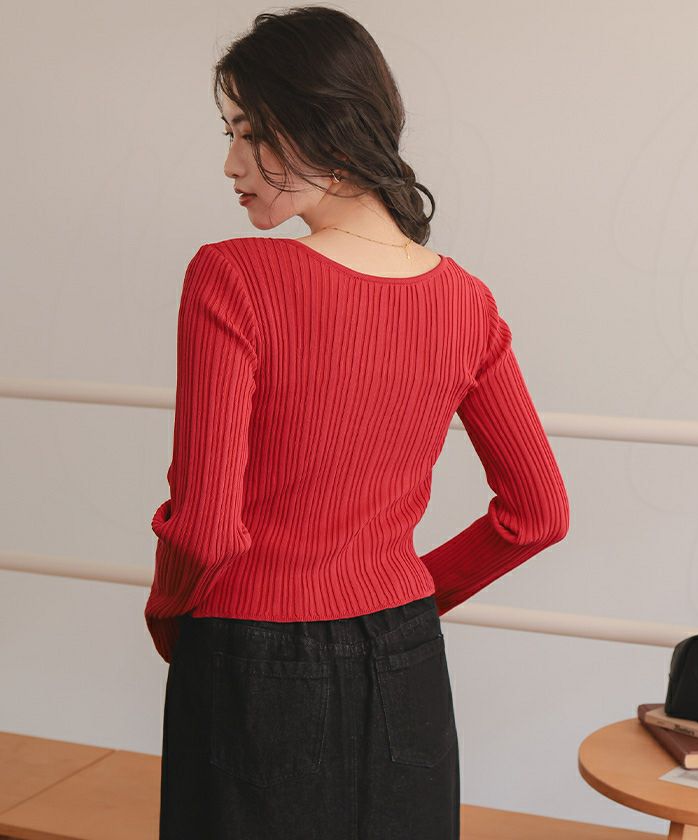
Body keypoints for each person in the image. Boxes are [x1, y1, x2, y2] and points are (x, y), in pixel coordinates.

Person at [146, 6, 570, 839]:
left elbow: (204, 529)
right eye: (230, 134)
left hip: (250, 659)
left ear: (325, 126)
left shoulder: (233, 277)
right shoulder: (468, 302)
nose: (231, 162)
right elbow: (541, 514)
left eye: (251, 133)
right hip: (407, 663)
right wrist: (405, 596)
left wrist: (168, 615)